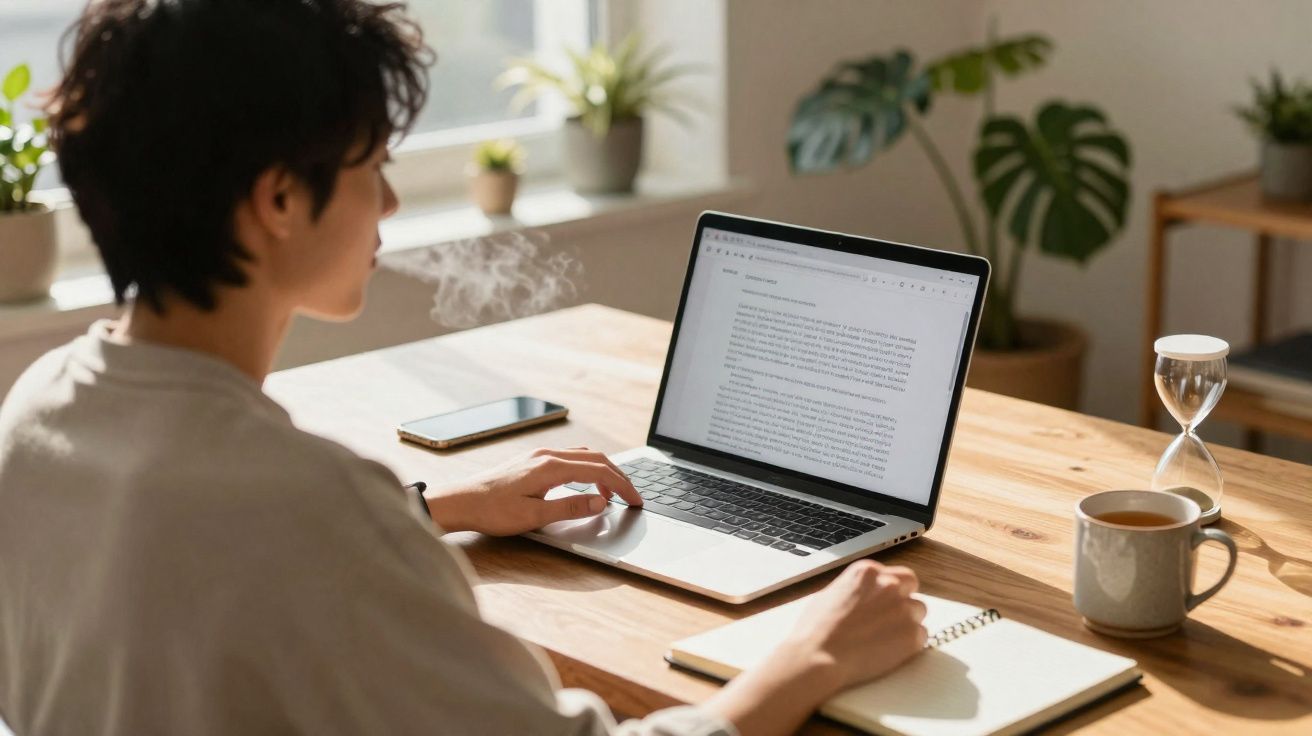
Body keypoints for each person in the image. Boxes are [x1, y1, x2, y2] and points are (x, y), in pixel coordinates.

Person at [0, 1, 928, 734]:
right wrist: (811, 656)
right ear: (279, 198)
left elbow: (198, 542)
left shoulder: (39, 410)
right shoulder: (314, 509)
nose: (393, 203)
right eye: (374, 167)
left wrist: (435, 509)